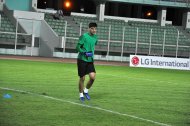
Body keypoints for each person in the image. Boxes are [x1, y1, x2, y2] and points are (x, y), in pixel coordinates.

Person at [76, 22, 98, 102]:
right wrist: (84, 52)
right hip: (82, 59)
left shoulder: (96, 37)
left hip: (90, 60)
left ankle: (86, 91)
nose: (94, 30)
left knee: (92, 77)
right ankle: (81, 94)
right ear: (89, 29)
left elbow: (93, 45)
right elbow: (77, 47)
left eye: (95, 28)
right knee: (82, 78)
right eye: (92, 28)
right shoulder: (84, 36)